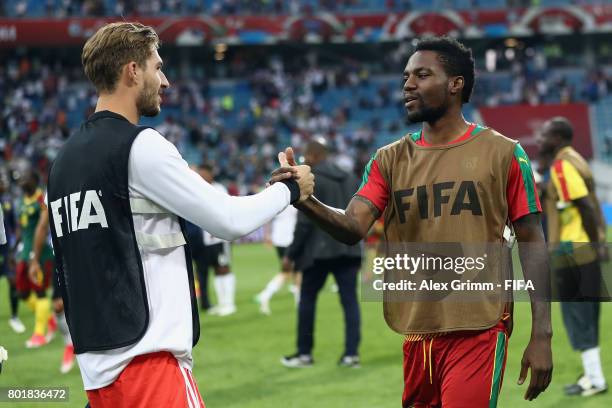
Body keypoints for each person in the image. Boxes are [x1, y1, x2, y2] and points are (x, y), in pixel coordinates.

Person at [45, 22, 313, 408]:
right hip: (149, 368)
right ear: (132, 71)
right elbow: (229, 220)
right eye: (158, 67)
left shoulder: (62, 163)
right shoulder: (141, 146)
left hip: (99, 374)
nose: (166, 81)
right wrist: (289, 191)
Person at [279, 37, 553, 406]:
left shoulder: (503, 152)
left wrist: (542, 335)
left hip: (479, 325)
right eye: (406, 76)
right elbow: (352, 227)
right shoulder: (388, 160)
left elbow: (532, 239)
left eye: (422, 75)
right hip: (416, 330)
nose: (408, 84)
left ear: (456, 84)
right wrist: (303, 200)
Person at [538, 117, 608, 397]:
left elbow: (583, 207)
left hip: (571, 250)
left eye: (544, 134)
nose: (540, 138)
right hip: (583, 250)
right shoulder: (575, 159)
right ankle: (593, 375)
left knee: (577, 314)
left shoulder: (563, 166)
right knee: (586, 313)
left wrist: (596, 242)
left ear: (557, 138)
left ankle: (595, 379)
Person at [281, 138, 363, 369]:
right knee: (350, 302)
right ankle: (351, 355)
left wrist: (291, 254)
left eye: (307, 156)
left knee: (307, 300)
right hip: (348, 247)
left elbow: (305, 222)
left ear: (314, 156)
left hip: (318, 251)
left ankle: (304, 354)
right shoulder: (350, 177)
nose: (306, 161)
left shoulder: (312, 177)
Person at [29, 198, 75, 373]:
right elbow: (42, 225)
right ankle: (69, 346)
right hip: (63, 255)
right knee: (58, 304)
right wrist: (34, 259)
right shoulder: (54, 183)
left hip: (90, 252)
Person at [15, 171, 57, 348]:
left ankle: (39, 334)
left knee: (40, 291)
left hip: (41, 253)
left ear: (35, 180)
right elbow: (22, 228)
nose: (22, 181)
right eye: (20, 179)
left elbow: (44, 226)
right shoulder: (20, 201)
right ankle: (48, 318)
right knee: (22, 292)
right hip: (24, 253)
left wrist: (34, 256)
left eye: (26, 177)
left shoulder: (42, 199)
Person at [198, 164, 237, 317]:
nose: (202, 176)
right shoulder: (198, 189)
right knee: (216, 270)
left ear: (211, 174)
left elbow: (226, 211)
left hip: (220, 239)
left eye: (204, 174)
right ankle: (222, 304)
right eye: (200, 174)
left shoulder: (219, 189)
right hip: (206, 240)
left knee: (223, 268)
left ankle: (230, 303)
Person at [255, 204, 299, 315]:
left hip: (279, 237)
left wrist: (267, 235)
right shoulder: (294, 194)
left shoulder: (278, 193)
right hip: (290, 238)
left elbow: (267, 216)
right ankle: (265, 295)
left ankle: (299, 303)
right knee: (291, 272)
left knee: (292, 271)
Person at [0, 175, 24, 334]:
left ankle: (14, 316)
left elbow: (15, 226)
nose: (4, 185)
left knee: (13, 281)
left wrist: (13, 249)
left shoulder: (7, 202)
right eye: (2, 182)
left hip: (6, 249)